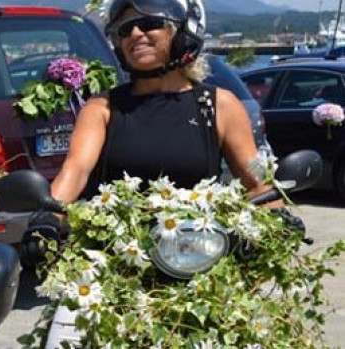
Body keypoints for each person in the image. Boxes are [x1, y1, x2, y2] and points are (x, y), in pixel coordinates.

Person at [43, 0, 282, 346]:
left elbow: (257, 183)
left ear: (183, 32)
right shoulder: (103, 108)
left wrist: (278, 219)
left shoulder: (218, 106)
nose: (135, 35)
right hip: (116, 274)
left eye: (148, 24)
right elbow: (75, 170)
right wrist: (49, 214)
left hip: (201, 269)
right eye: (125, 29)